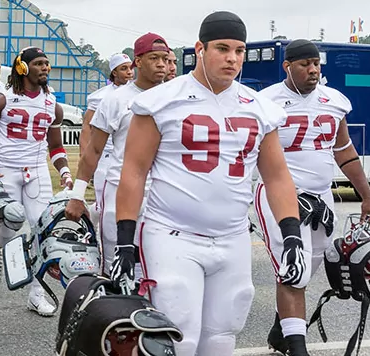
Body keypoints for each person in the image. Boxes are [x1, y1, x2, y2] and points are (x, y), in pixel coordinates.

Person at [111, 11, 302, 356]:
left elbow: (276, 176)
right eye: (222, 48)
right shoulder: (162, 100)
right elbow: (134, 172)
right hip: (172, 234)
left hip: (232, 238)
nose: (232, 59)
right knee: (178, 335)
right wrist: (125, 240)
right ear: (200, 48)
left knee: (222, 337)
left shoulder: (259, 107)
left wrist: (291, 233)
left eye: (239, 51)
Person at [254, 39, 370, 356]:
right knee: (292, 267)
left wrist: (367, 196)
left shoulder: (333, 101)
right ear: (287, 66)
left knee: (306, 270)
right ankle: (297, 347)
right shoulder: (264, 102)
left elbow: (344, 151)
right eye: (304, 65)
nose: (312, 70)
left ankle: (280, 331)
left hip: (322, 197)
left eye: (316, 64)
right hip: (279, 195)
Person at [0, 46, 73, 317]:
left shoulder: (52, 104)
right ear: (22, 67)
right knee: (7, 233)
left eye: (47, 63)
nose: (46, 68)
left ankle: (36, 294)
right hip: (6, 170)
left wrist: (65, 172)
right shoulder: (1, 99)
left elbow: (56, 147)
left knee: (41, 230)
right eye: (40, 63)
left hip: (37, 171)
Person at [66, 34, 170, 275]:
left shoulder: (175, 98)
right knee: (115, 267)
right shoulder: (115, 99)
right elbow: (93, 149)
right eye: (154, 58)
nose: (161, 64)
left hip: (163, 192)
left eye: (165, 58)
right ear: (138, 61)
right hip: (119, 189)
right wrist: (77, 194)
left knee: (158, 269)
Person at [78, 53, 134, 230]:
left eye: (130, 67)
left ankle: (93, 219)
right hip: (106, 154)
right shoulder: (100, 96)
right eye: (123, 68)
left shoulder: (140, 92)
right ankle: (101, 235)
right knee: (105, 203)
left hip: (127, 153)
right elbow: (87, 126)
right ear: (114, 72)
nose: (129, 72)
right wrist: (84, 155)